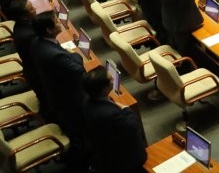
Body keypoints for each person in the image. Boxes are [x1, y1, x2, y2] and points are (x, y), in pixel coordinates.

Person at [31, 11, 87, 166]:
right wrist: (75, 54)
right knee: (79, 135)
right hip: (69, 99)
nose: (59, 23)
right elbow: (78, 70)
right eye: (56, 21)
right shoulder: (54, 55)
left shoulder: (37, 42)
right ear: (49, 30)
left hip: (55, 93)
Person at [82, 67, 148, 172]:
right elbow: (133, 126)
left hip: (104, 151)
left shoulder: (87, 101)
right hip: (125, 160)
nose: (114, 79)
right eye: (111, 79)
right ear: (104, 89)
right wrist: (126, 108)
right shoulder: (110, 114)